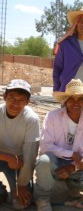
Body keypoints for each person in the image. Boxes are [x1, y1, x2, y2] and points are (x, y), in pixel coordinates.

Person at [34, 79, 83, 211]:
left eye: (79, 99)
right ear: (65, 100)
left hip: (73, 165)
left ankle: (72, 193)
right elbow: (46, 146)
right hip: (55, 161)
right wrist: (72, 154)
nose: (75, 103)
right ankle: (42, 199)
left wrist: (72, 166)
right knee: (44, 161)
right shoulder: (52, 117)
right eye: (71, 98)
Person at [0, 79, 40, 210]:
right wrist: (7, 157)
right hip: (2, 156)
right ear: (4, 96)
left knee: (20, 205)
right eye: (11, 98)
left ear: (28, 102)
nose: (15, 103)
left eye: (21, 100)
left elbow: (30, 155)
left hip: (20, 162)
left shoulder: (31, 119)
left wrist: (22, 184)